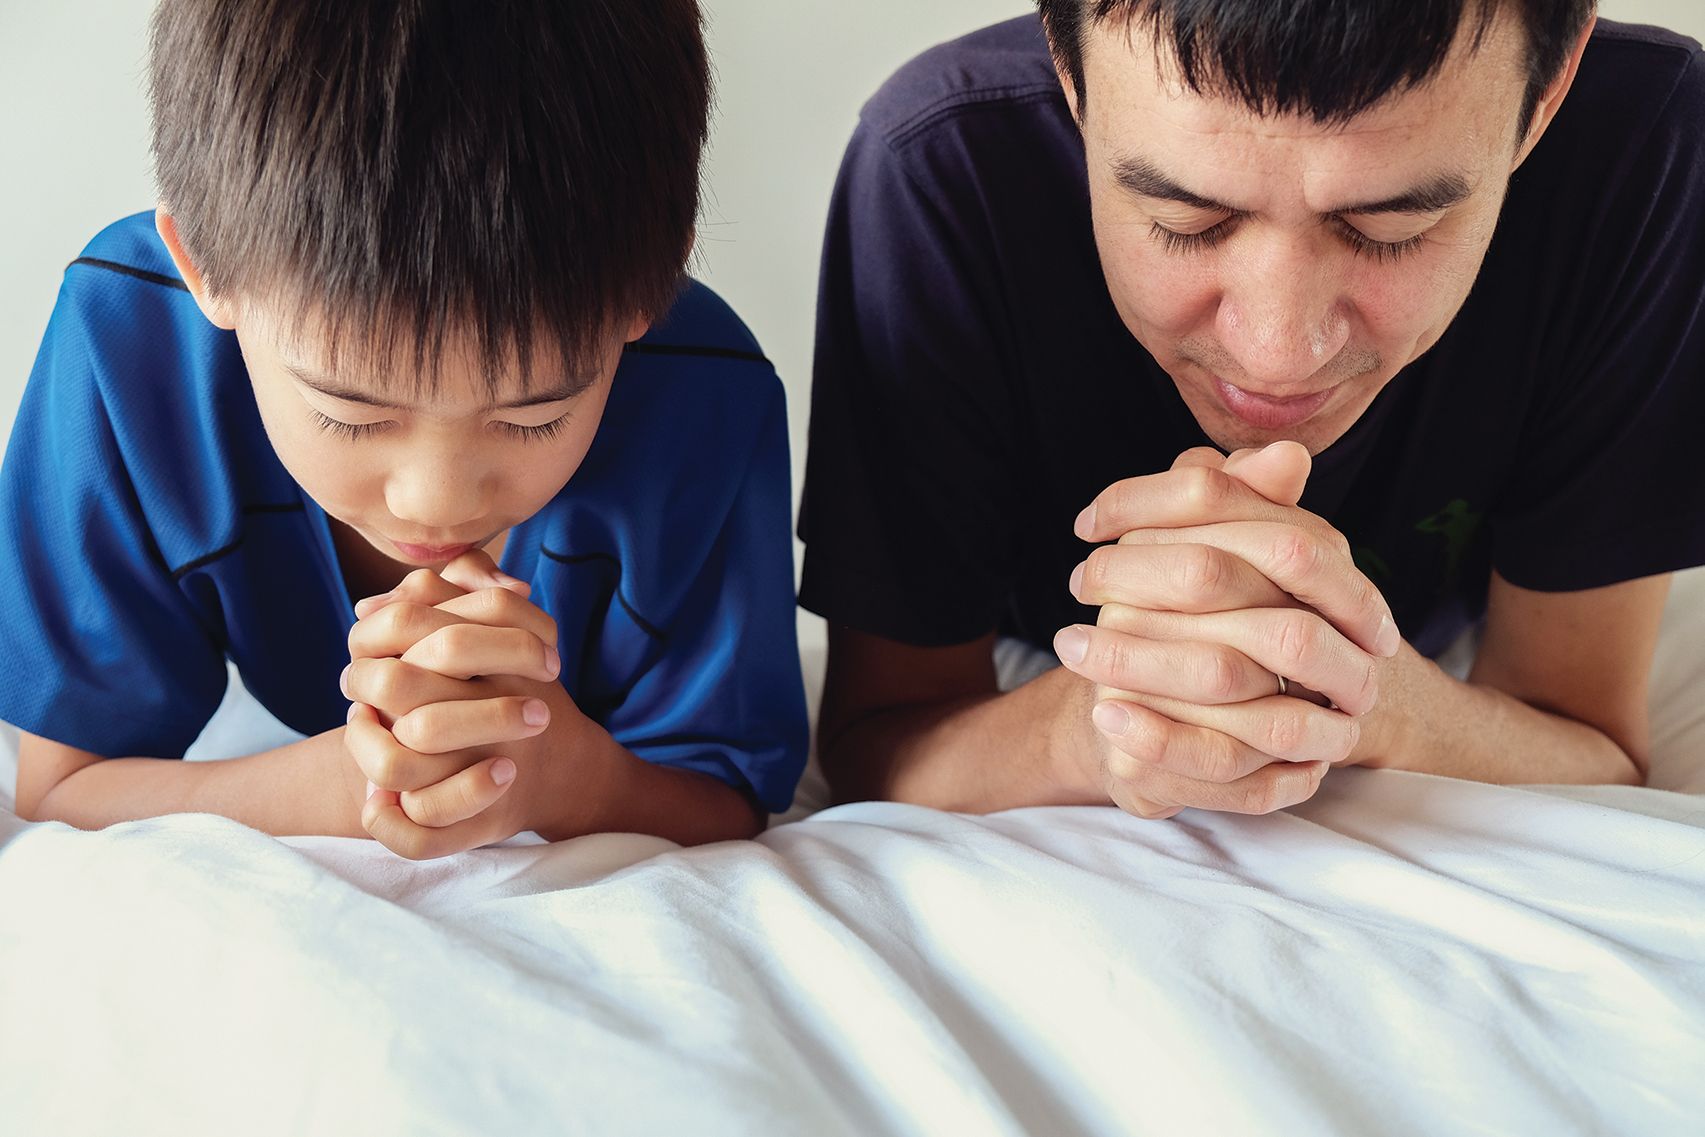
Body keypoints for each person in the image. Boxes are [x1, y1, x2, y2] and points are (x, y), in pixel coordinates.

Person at [799, 0, 1705, 818]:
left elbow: (1591, 742)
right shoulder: (941, 160)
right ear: (1072, 80)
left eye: (1391, 231)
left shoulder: (1645, 144)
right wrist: (1097, 721)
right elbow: (878, 738)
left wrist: (1366, 692)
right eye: (1184, 222)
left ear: (1542, 99)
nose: (1277, 355)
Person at [1, 0, 808, 859]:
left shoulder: (709, 399)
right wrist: (345, 786)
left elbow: (726, 797)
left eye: (535, 415)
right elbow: (65, 785)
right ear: (203, 267)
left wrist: (567, 776)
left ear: (648, 295)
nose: (436, 501)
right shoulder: (128, 342)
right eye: (348, 410)